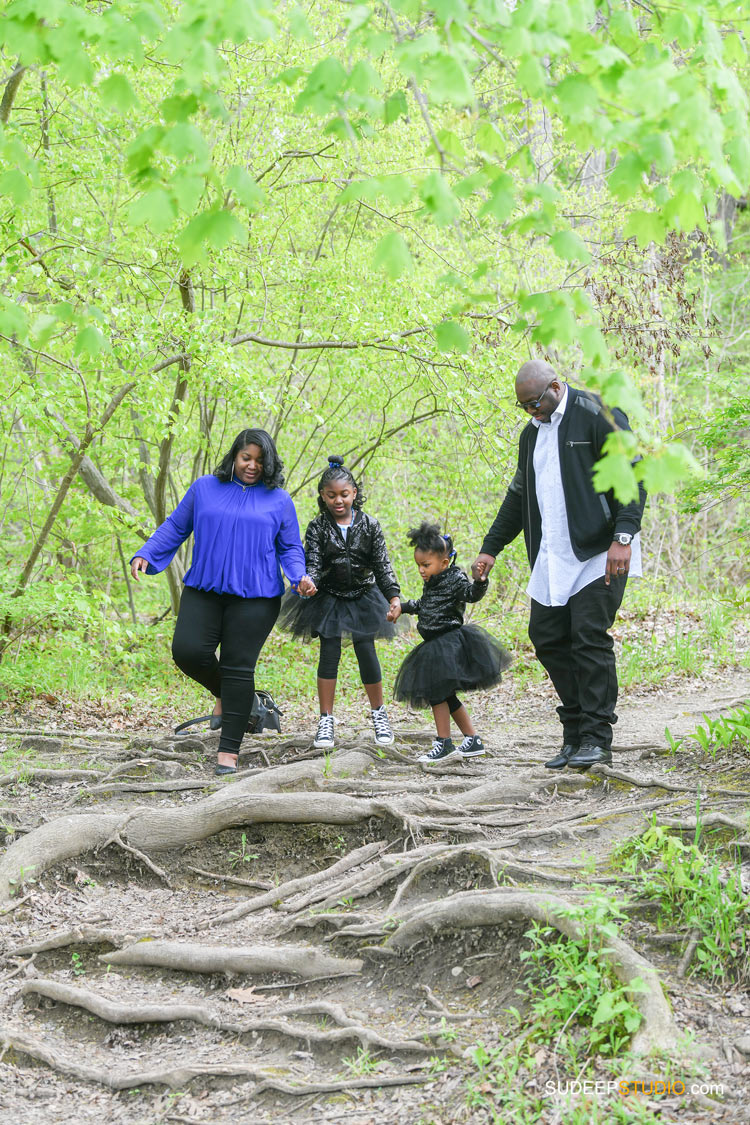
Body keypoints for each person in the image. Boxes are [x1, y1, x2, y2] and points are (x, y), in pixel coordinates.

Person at [472, 360, 647, 770]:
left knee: (588, 635)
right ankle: (574, 732)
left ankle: (597, 737)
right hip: (554, 554)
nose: (531, 412)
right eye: (524, 408)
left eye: (535, 403)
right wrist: (490, 548)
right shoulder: (530, 436)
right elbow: (518, 498)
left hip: (600, 550)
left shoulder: (597, 414)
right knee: (547, 636)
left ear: (555, 386)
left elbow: (634, 474)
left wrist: (624, 536)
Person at [131, 428, 308, 776]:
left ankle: (228, 753)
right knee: (187, 651)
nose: (252, 466)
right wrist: (147, 553)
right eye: (246, 458)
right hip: (204, 589)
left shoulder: (279, 500)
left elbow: (290, 547)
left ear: (268, 464)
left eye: (260, 461)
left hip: (256, 598)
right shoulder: (205, 488)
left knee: (237, 668)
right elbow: (175, 526)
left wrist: (298, 576)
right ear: (234, 456)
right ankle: (247, 702)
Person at [277, 455, 402, 750]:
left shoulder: (370, 525)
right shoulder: (318, 527)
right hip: (329, 597)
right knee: (329, 653)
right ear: (323, 496)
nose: (338, 501)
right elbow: (315, 562)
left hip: (363, 596)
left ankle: (379, 714)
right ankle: (326, 720)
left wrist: (394, 596)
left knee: (366, 650)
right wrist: (309, 581)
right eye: (331, 495)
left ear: (354, 493)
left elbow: (382, 565)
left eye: (344, 494)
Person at [394, 521, 511, 763]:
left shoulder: (455, 578)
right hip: (434, 645)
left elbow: (471, 594)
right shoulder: (432, 581)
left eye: (426, 565)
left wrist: (480, 581)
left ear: (444, 562)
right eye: (419, 565)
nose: (421, 571)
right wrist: (402, 607)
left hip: (448, 644)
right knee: (445, 695)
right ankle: (472, 739)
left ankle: (444, 743)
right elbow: (423, 605)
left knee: (438, 693)